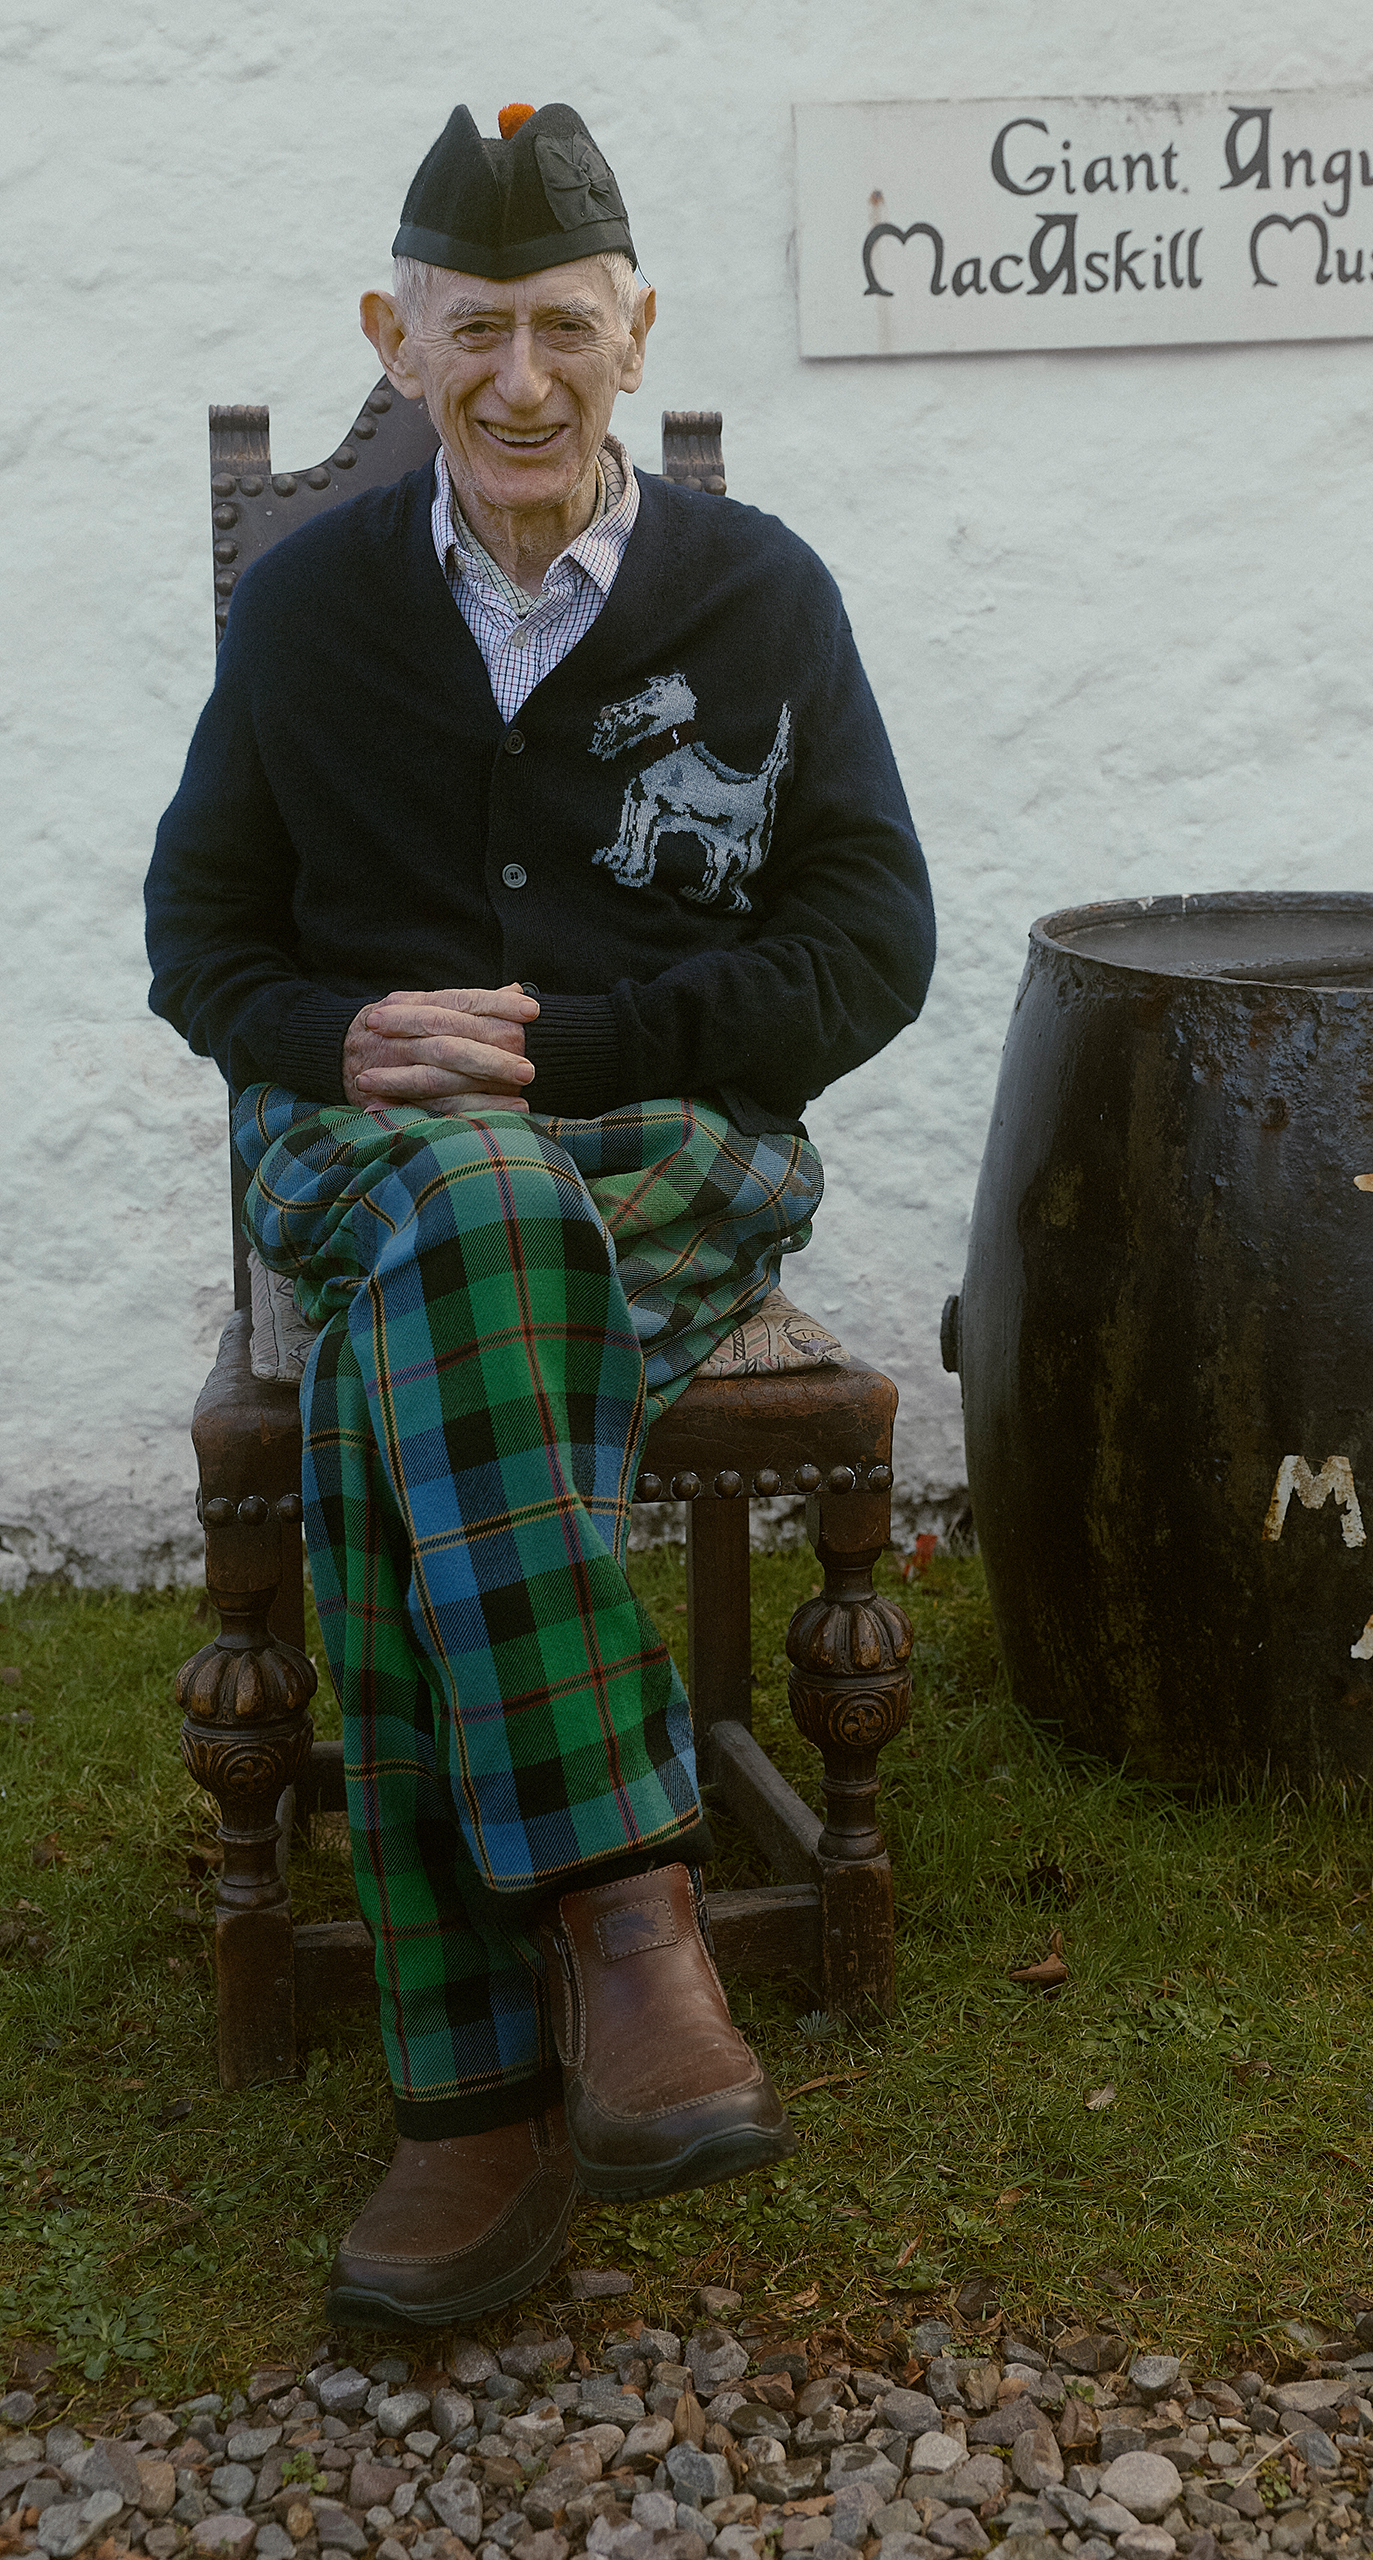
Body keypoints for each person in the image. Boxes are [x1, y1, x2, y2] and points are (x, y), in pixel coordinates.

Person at [144, 98, 933, 2328]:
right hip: (364, 1137)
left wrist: (575, 1047)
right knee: (471, 1222)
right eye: (471, 327)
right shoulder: (303, 607)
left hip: (672, 1140)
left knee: (441, 1315)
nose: (517, 376)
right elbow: (199, 944)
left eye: (562, 327)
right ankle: (623, 1904)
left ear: (634, 325)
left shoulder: (760, 592)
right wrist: (345, 1031)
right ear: (393, 338)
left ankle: (468, 2089)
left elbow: (872, 945)